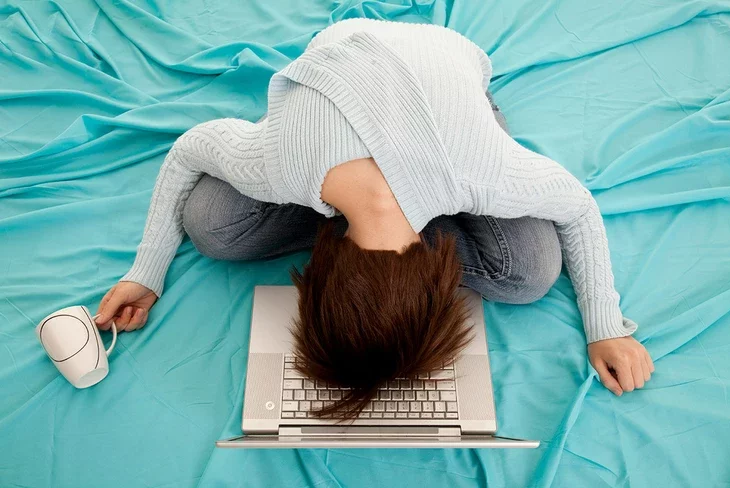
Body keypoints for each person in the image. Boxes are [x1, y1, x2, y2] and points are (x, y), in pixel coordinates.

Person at [95, 18, 653, 416]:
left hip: (441, 74)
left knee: (530, 273)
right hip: (337, 70)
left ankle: (359, 200)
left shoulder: (483, 170)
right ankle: (350, 191)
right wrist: (145, 271)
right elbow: (190, 148)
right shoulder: (278, 163)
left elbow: (579, 206)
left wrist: (605, 324)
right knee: (212, 226)